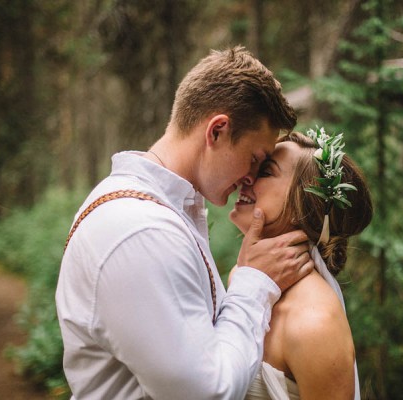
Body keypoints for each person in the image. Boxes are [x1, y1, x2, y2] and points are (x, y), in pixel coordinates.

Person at [56, 46, 315, 399]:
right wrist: (254, 283)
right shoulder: (140, 229)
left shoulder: (161, 213)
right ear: (217, 131)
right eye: (254, 159)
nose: (250, 178)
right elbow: (208, 393)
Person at [229, 129, 373, 400]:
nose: (245, 177)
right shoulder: (243, 275)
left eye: (265, 172)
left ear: (301, 205)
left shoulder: (315, 322)